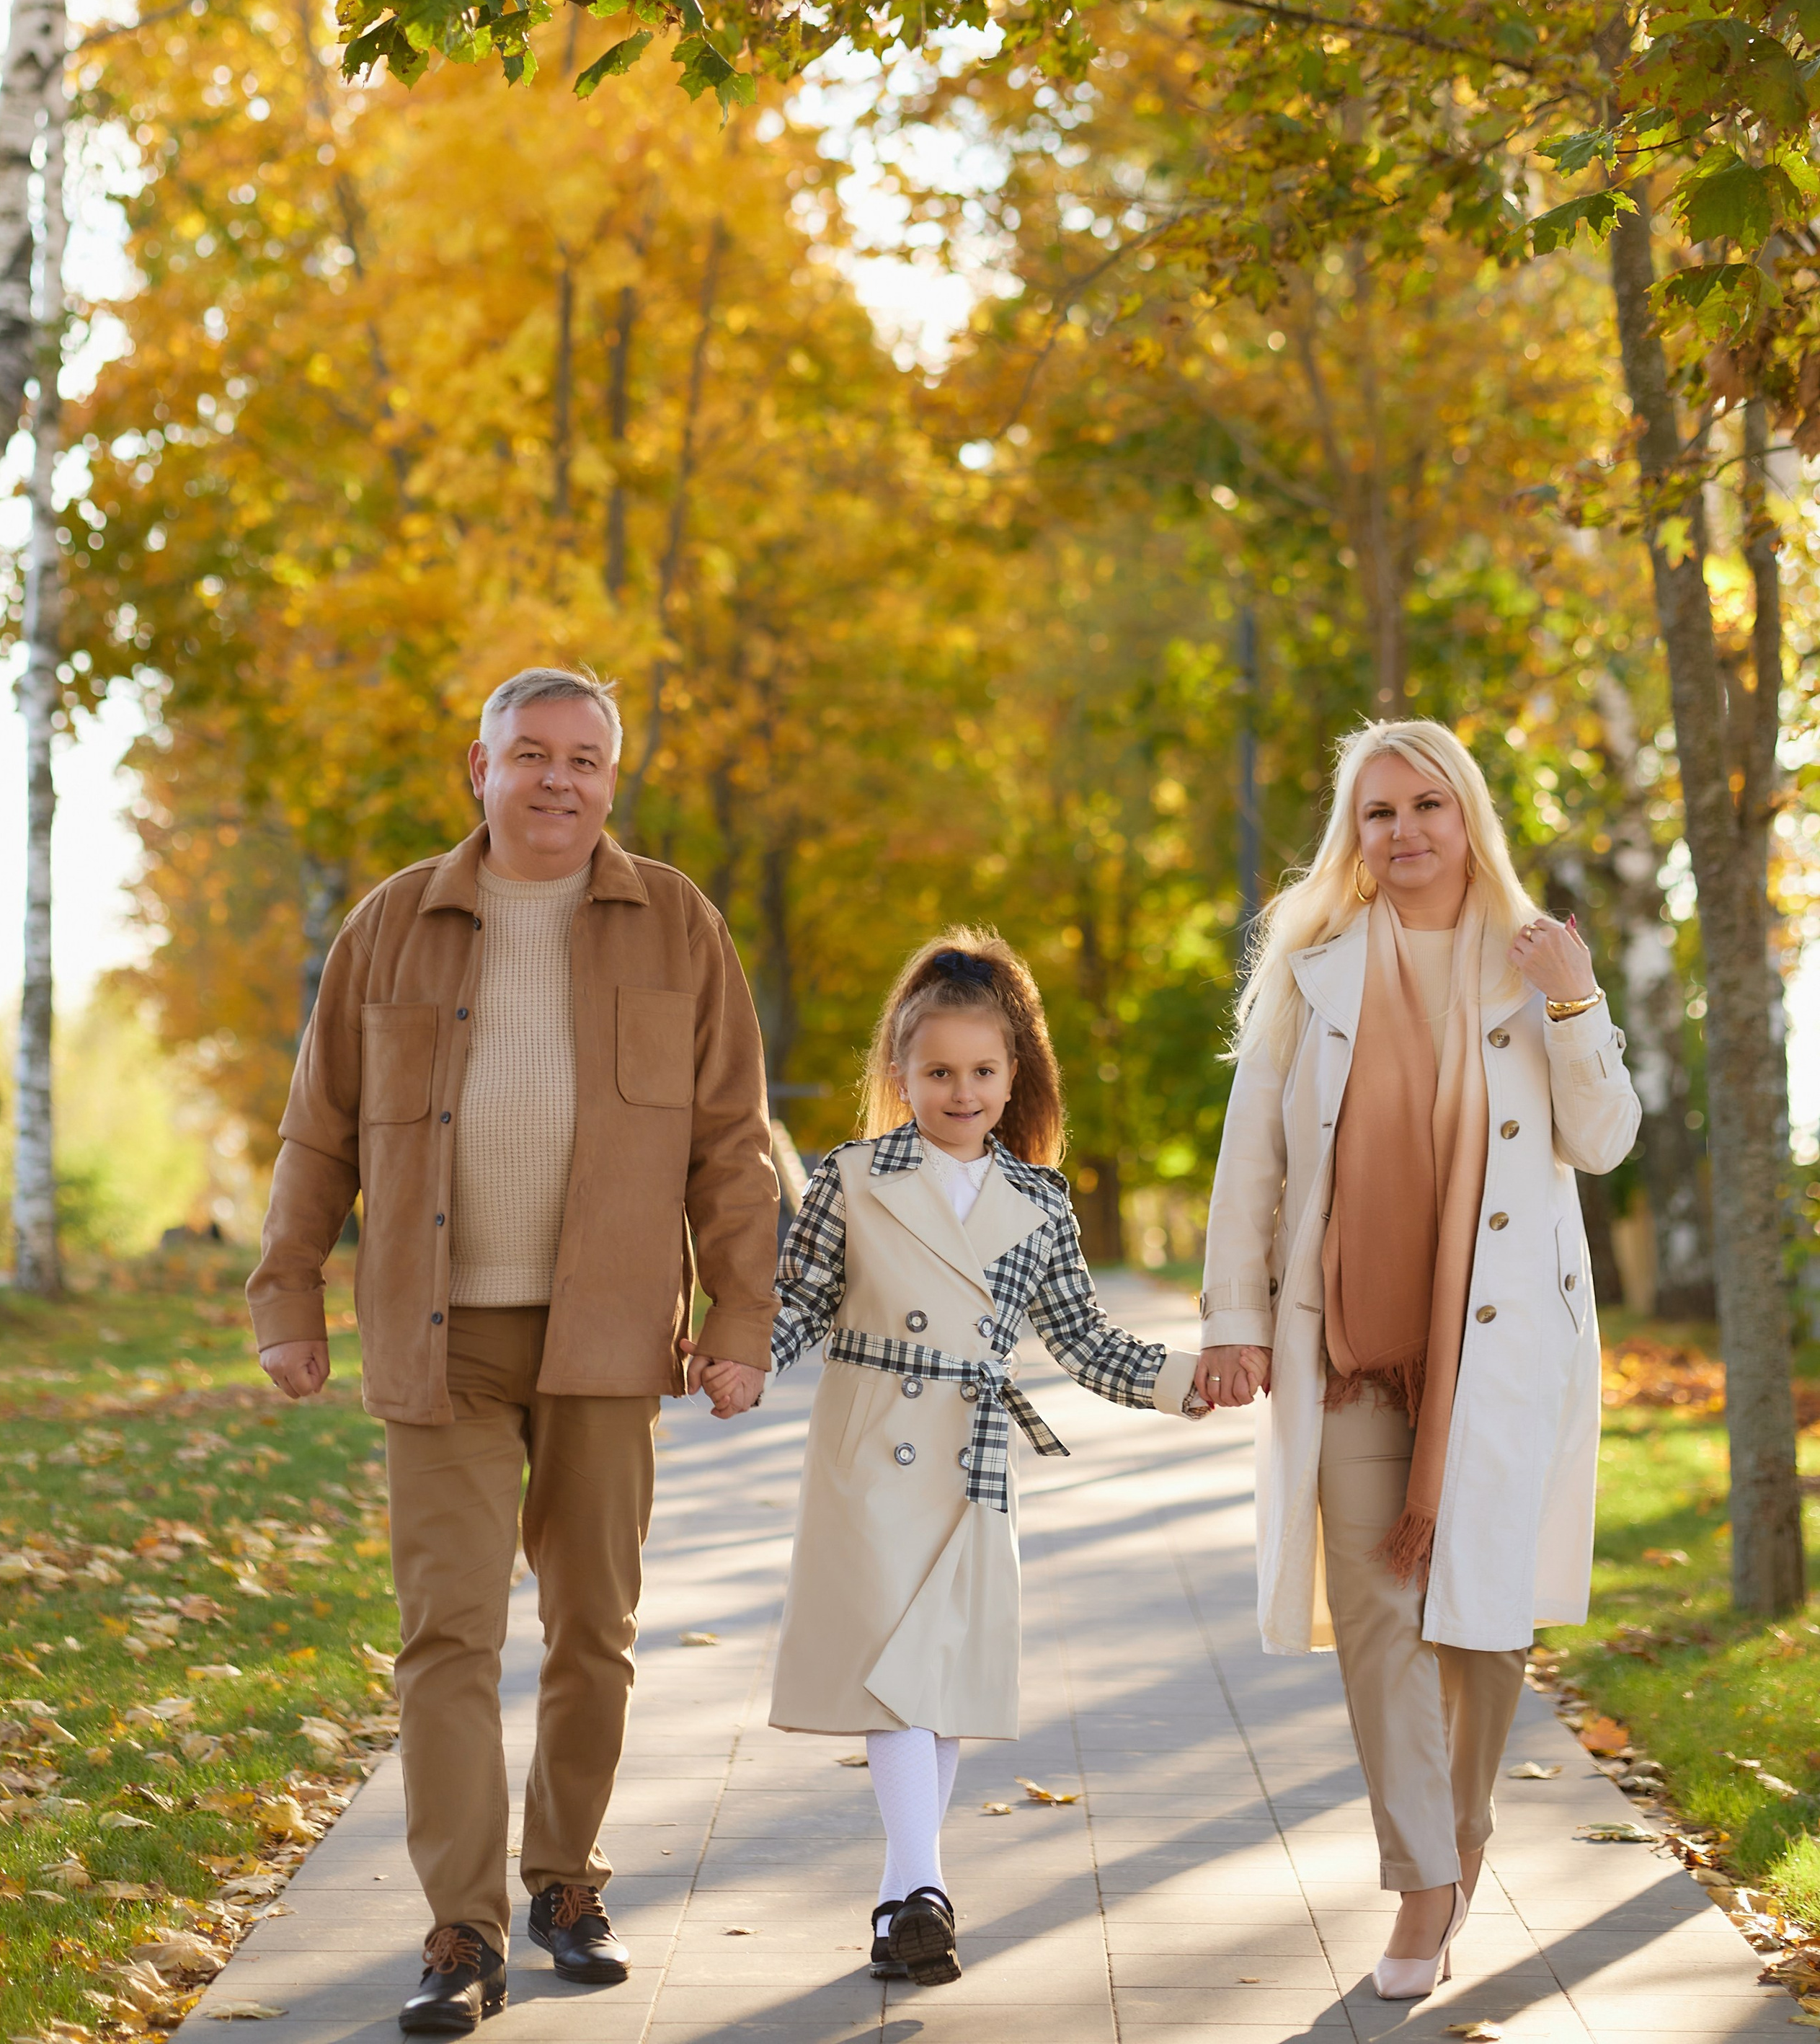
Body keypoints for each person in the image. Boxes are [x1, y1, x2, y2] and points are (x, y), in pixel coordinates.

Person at [246, 667, 779, 2035]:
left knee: (593, 1629)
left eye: (584, 759)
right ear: (475, 769)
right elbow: (320, 1130)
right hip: (442, 1338)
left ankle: (564, 1881)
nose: (558, 779)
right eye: (529, 754)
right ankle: (461, 1927)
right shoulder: (391, 926)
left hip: (608, 1336)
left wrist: (735, 1320)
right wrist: (287, 1297)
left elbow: (731, 1146)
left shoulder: (675, 922)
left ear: (614, 779)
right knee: (449, 1636)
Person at [1200, 720, 1639, 2001]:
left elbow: (1603, 1141)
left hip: (1499, 1348)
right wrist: (1235, 1318)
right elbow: (1253, 1167)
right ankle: (1425, 1886)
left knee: (1485, 1626)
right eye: (1378, 813)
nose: (1403, 834)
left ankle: (1464, 1835)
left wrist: (1577, 997)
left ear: (1470, 820)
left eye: (1427, 807)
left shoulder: (1533, 964)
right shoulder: (1312, 971)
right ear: (1355, 835)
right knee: (1381, 1621)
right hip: (1348, 1347)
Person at [703, 933, 1204, 1990]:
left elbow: (1085, 1341)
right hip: (869, 1455)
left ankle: (904, 1898)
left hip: (973, 1469)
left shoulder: (1041, 1202)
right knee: (901, 1681)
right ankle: (922, 1888)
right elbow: (801, 1306)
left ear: (1014, 1075)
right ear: (900, 1074)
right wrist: (739, 1366)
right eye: (938, 1072)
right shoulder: (850, 1178)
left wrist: (1188, 1380)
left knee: (940, 1677)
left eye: (982, 1071)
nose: (961, 1092)